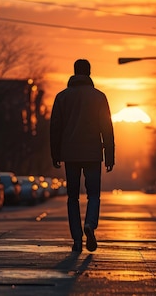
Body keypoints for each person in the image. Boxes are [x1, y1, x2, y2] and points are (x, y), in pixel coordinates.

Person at [50, 59, 115, 253]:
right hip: (93, 153)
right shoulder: (99, 97)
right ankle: (90, 224)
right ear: (89, 73)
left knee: (73, 198)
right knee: (93, 194)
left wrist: (56, 154)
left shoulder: (62, 97)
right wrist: (109, 155)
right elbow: (107, 127)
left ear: (74, 72)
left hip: (70, 154)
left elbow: (55, 128)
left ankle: (77, 240)